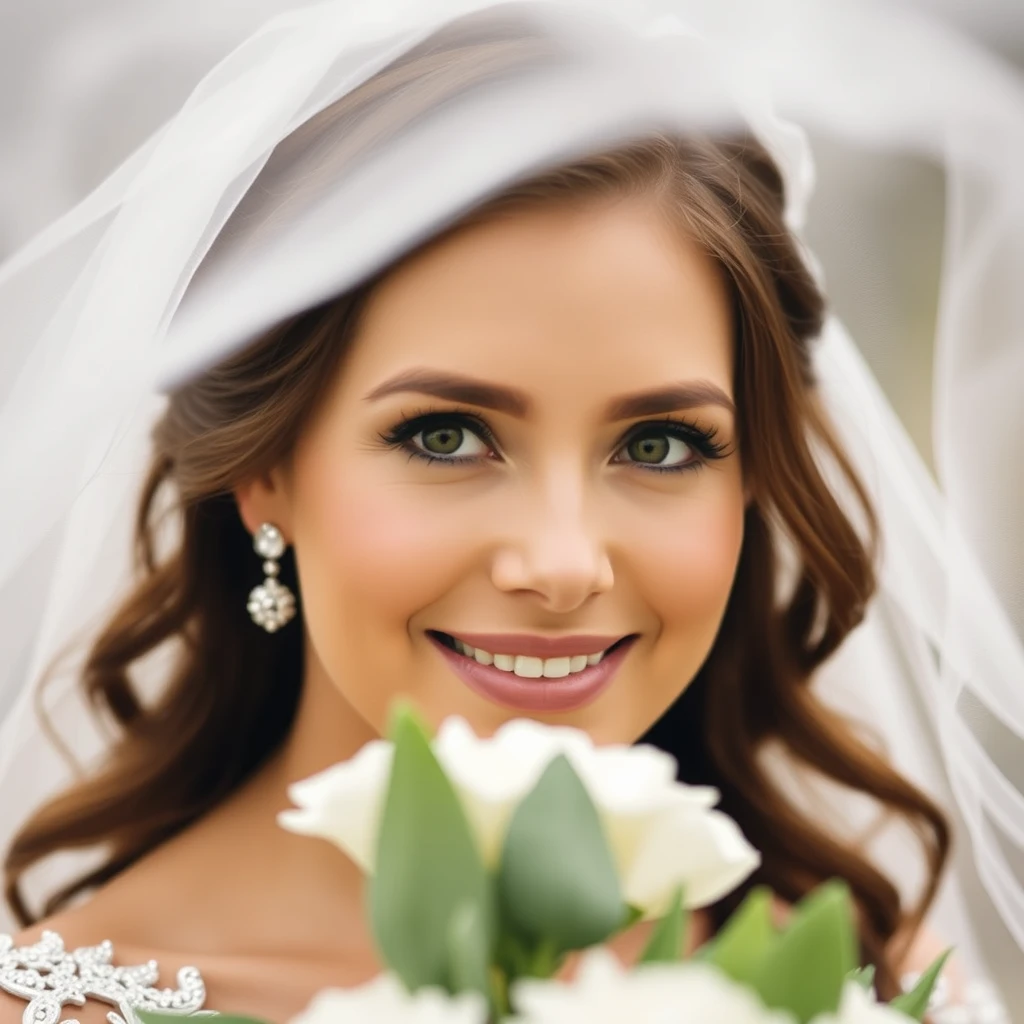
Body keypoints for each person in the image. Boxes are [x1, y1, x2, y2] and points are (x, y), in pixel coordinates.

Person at [0, 2, 1020, 1022]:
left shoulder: (867, 987)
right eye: (445, 436)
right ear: (265, 468)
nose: (563, 563)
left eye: (659, 444)